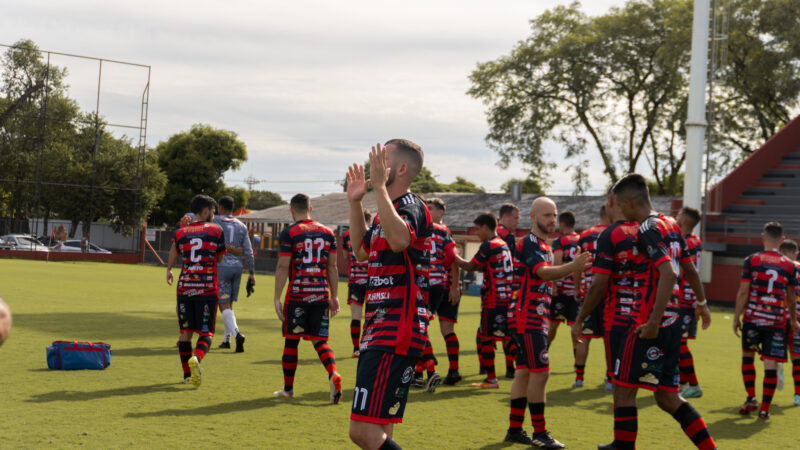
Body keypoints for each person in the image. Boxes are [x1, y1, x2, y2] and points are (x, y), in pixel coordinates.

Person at [602, 173, 715, 450]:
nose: (621, 211)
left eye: (620, 205)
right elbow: (689, 269)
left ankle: (622, 446)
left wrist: (652, 321)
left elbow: (669, 273)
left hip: (649, 322)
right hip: (674, 319)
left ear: (629, 202)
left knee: (624, 388)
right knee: (667, 397)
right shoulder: (672, 224)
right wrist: (701, 303)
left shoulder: (647, 228)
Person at [347, 140, 433, 450]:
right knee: (381, 429)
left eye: (382, 158)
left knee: (361, 431)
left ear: (400, 169)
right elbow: (359, 251)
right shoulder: (388, 211)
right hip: (380, 327)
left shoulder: (412, 206)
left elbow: (399, 241)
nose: (373, 164)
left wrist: (380, 189)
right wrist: (356, 202)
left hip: (395, 329)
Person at [506, 196, 589, 448]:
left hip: (536, 315)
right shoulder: (530, 242)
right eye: (546, 215)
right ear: (532, 217)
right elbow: (542, 272)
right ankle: (540, 434)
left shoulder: (544, 245)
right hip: (527, 317)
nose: (552, 220)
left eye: (554, 215)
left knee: (523, 373)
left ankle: (514, 429)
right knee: (540, 374)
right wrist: (572, 266)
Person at [273, 193, 342, 404]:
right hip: (320, 294)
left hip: (297, 296)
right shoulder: (328, 233)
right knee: (320, 340)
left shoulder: (289, 233)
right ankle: (333, 373)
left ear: (291, 210)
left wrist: (277, 297)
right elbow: (332, 267)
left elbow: (284, 266)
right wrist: (335, 295)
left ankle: (288, 389)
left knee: (291, 342)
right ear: (310, 208)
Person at [733, 222, 799, 420]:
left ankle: (751, 398)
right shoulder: (789, 265)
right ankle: (764, 410)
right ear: (781, 240)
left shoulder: (752, 260)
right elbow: (791, 298)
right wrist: (794, 321)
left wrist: (737, 316)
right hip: (777, 322)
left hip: (753, 318)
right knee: (770, 364)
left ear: (763, 237)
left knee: (748, 357)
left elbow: (744, 290)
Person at [166, 194, 226, 387]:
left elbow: (175, 250)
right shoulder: (216, 230)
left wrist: (168, 270)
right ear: (206, 210)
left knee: (185, 332)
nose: (214, 215)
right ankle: (197, 359)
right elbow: (219, 259)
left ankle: (186, 375)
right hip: (206, 288)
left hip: (184, 287)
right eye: (213, 211)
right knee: (206, 333)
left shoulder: (181, 232)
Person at [454, 212, 514, 389]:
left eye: (478, 229)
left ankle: (492, 379)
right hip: (506, 298)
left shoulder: (489, 246)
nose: (476, 234)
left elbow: (470, 266)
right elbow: (484, 266)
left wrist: (451, 254)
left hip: (493, 300)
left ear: (486, 227)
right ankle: (524, 373)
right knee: (494, 336)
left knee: (487, 338)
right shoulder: (502, 244)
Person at [425, 197, 462, 385]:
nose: (427, 211)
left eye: (431, 208)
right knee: (438, 328)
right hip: (442, 285)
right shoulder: (437, 230)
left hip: (443, 286)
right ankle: (447, 369)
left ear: (441, 212)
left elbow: (453, 260)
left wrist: (454, 286)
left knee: (426, 326)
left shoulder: (442, 231)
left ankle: (435, 366)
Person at [575, 206, 611, 391]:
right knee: (610, 337)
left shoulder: (585, 235)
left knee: (584, 335)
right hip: (609, 293)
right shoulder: (615, 233)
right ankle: (610, 378)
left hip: (589, 292)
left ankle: (579, 378)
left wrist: (577, 288)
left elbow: (577, 265)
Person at [213, 196, 255, 352]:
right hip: (237, 268)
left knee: (223, 305)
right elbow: (249, 252)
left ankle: (237, 334)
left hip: (221, 266)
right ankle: (226, 339)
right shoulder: (242, 226)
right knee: (229, 305)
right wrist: (252, 273)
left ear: (221, 207)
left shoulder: (215, 220)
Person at [676, 206, 703, 397]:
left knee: (679, 343)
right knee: (677, 343)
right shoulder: (696, 240)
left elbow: (683, 271)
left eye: (678, 214)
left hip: (683, 299)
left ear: (684, 220)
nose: (675, 217)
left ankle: (693, 384)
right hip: (689, 298)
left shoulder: (684, 242)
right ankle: (683, 383)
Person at [495, 203, 521, 379]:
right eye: (515, 217)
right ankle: (511, 367)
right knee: (508, 330)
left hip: (493, 288)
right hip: (504, 289)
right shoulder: (506, 236)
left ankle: (486, 368)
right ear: (504, 216)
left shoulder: (494, 232)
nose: (518, 221)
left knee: (486, 331)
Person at [548, 211, 581, 347]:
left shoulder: (560, 241)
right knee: (576, 327)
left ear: (562, 224)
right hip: (576, 290)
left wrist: (554, 286)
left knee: (552, 324)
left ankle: (542, 355)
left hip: (561, 290)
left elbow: (556, 263)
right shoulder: (581, 239)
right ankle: (577, 361)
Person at [343, 209, 372, 358]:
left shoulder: (347, 235)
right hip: (372, 280)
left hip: (355, 280)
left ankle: (356, 349)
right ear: (369, 219)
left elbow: (345, 256)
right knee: (371, 316)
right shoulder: (373, 233)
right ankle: (368, 347)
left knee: (356, 316)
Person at [778, 239, 800, 405]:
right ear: (795, 252)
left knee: (772, 351)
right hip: (797, 317)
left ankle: (778, 368)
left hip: (777, 316)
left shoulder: (779, 267)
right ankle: (798, 395)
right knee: (796, 356)